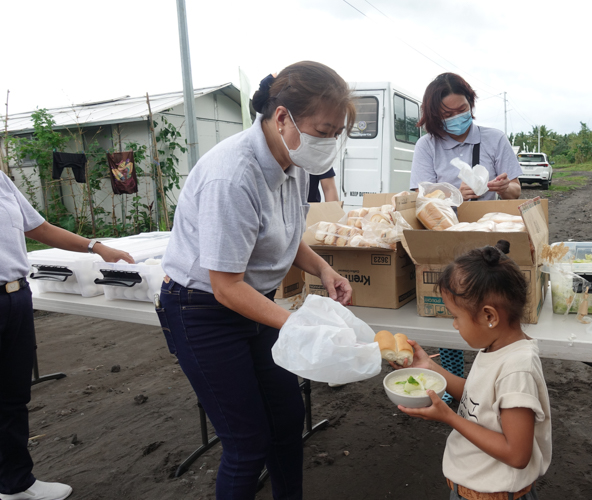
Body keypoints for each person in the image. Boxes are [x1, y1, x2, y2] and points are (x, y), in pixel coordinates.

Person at [158, 62, 354, 500]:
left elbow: (284, 236)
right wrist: (297, 323)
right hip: (203, 310)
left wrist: (323, 268)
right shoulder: (233, 175)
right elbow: (225, 285)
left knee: (286, 424)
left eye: (336, 132)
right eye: (323, 130)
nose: (329, 143)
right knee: (246, 444)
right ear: (282, 117)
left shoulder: (296, 159)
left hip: (256, 303)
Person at [0, 171, 133, 500]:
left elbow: (38, 228)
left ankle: (15, 484)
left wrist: (97, 247)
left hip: (13, 296)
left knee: (12, 397)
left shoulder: (1, 181)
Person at [393, 240, 551, 500]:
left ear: (490, 316)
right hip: (472, 487)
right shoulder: (496, 346)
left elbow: (517, 454)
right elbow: (479, 398)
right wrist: (431, 367)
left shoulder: (516, 371)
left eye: (456, 316)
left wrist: (450, 417)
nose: (455, 325)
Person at [410, 72, 523, 399]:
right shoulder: (427, 145)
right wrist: (450, 193)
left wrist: (505, 187)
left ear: (470, 105)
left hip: (490, 238)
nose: (457, 118)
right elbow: (419, 198)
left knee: (491, 313)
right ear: (434, 115)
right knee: (453, 315)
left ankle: (494, 382)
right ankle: (453, 386)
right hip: (445, 238)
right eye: (447, 114)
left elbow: (516, 189)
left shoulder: (494, 139)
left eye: (462, 109)